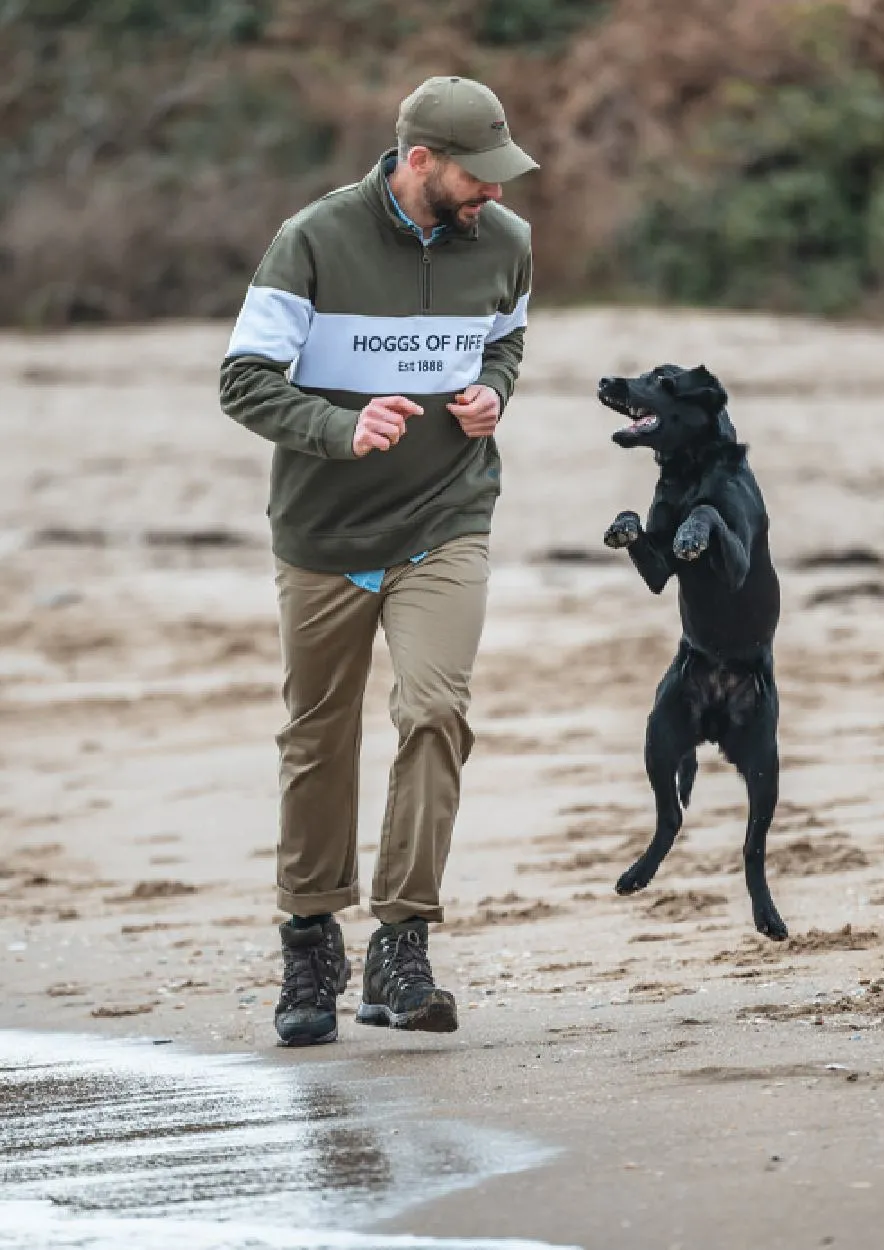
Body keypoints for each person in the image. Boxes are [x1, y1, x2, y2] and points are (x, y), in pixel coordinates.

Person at [219, 76, 537, 1045]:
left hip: (447, 515)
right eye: (474, 176)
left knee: (434, 706)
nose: (490, 194)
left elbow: (505, 350)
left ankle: (403, 936)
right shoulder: (310, 239)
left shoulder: (509, 245)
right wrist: (339, 424)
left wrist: (490, 395)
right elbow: (243, 379)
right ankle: (310, 935)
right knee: (317, 735)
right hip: (322, 532)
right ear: (417, 162)